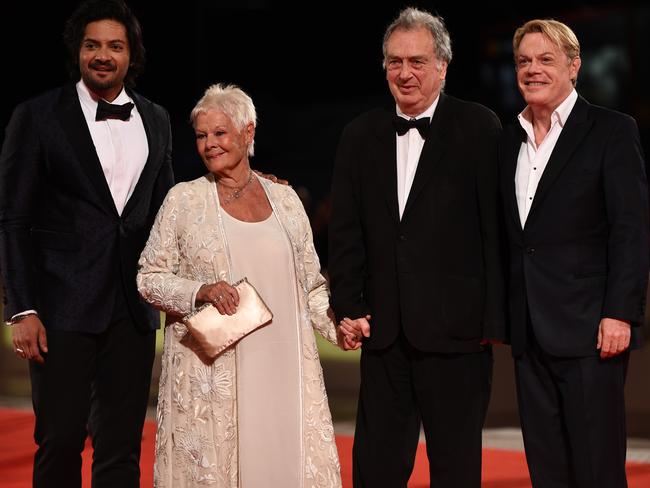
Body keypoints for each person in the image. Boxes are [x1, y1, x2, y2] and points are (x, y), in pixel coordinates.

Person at [328, 7, 506, 487]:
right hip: (384, 335)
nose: (405, 73)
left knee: (455, 468)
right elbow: (345, 233)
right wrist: (349, 305)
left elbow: (497, 230)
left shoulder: (480, 128)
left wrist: (492, 320)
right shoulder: (359, 135)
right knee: (376, 468)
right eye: (394, 62)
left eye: (417, 61)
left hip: (459, 338)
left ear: (443, 67)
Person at [0, 0, 174, 486]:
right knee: (59, 443)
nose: (103, 55)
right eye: (92, 45)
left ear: (131, 54)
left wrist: (244, 183)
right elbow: (13, 220)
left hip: (132, 312)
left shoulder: (156, 119)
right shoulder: (36, 117)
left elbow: (171, 211)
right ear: (77, 51)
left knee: (120, 449)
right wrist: (22, 308)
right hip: (59, 309)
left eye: (115, 46)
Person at [137, 82, 344, 488]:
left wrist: (340, 326)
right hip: (214, 376)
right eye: (201, 135)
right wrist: (200, 291)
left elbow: (312, 286)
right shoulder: (184, 200)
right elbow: (148, 277)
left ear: (248, 132)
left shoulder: (286, 200)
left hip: (282, 371)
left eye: (220, 133)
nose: (209, 144)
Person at [499, 19, 648, 487]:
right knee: (547, 471)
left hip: (590, 333)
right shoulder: (507, 142)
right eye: (524, 61)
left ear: (574, 66)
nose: (533, 70)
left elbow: (630, 229)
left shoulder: (611, 130)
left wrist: (620, 313)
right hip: (529, 334)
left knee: (597, 470)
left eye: (546, 59)